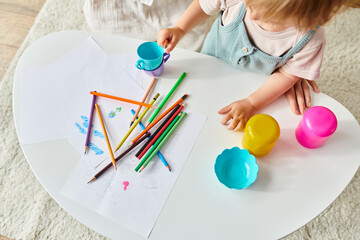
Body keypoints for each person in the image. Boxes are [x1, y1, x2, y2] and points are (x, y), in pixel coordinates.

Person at [157, 0, 348, 131]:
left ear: (307, 19)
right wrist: (180, 28)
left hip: (255, 86)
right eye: (249, 3)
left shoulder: (310, 38)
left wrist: (252, 103)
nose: (251, 15)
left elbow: (288, 76)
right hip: (211, 65)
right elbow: (203, 5)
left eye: (268, 18)